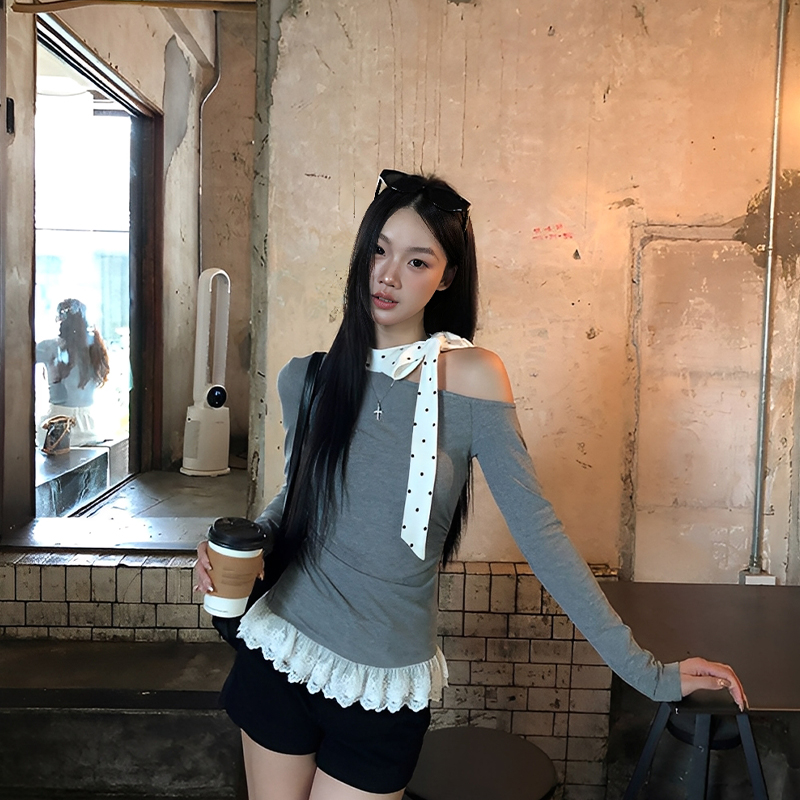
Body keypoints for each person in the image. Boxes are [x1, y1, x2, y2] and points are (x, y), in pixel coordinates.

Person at [195, 169, 746, 800]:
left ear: (446, 277)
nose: (388, 275)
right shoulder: (310, 377)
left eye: (417, 260)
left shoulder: (474, 379)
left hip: (382, 688)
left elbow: (540, 535)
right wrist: (237, 547)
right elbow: (294, 503)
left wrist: (648, 672)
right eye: (379, 250)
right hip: (281, 653)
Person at [35, 298, 110, 447]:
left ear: (61, 321)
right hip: (90, 428)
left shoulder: (50, 347)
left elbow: (16, 359)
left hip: (57, 425)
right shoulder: (95, 348)